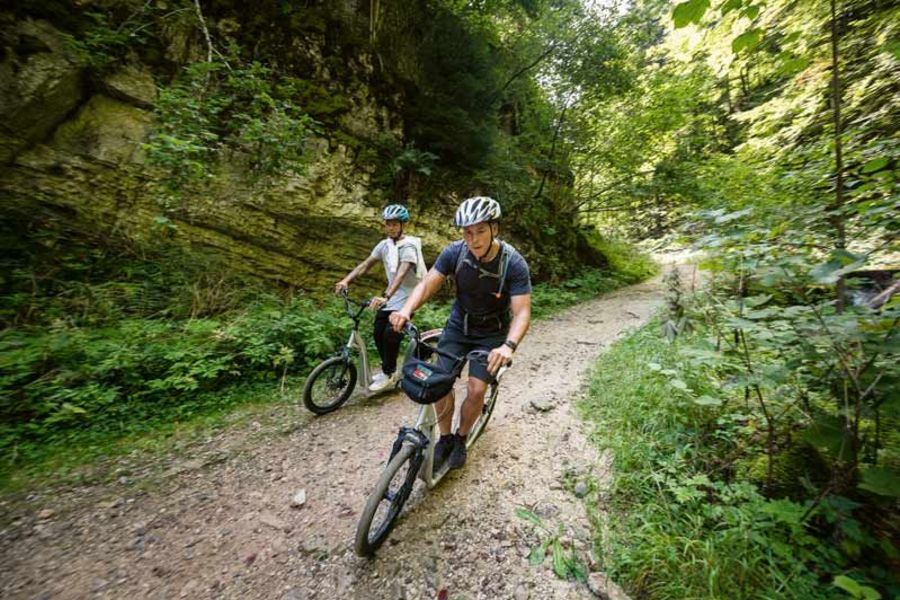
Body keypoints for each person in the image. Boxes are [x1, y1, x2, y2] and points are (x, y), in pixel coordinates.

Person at [390, 196, 532, 469]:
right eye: (468, 232)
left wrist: (508, 346)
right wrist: (406, 309)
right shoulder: (455, 252)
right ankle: (445, 438)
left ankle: (460, 437)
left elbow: (522, 312)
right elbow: (427, 284)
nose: (474, 239)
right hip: (458, 326)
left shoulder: (513, 263)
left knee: (476, 388)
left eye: (480, 231)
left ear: (495, 229)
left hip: (492, 333)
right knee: (439, 382)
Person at [335, 204, 427, 392]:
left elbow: (401, 274)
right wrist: (345, 281)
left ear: (403, 225)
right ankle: (389, 371)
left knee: (391, 332)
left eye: (395, 224)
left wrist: (385, 296)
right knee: (378, 330)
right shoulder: (384, 245)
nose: (391, 227)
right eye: (388, 224)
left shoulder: (408, 247)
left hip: (412, 294)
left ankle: (389, 372)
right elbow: (365, 265)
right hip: (394, 295)